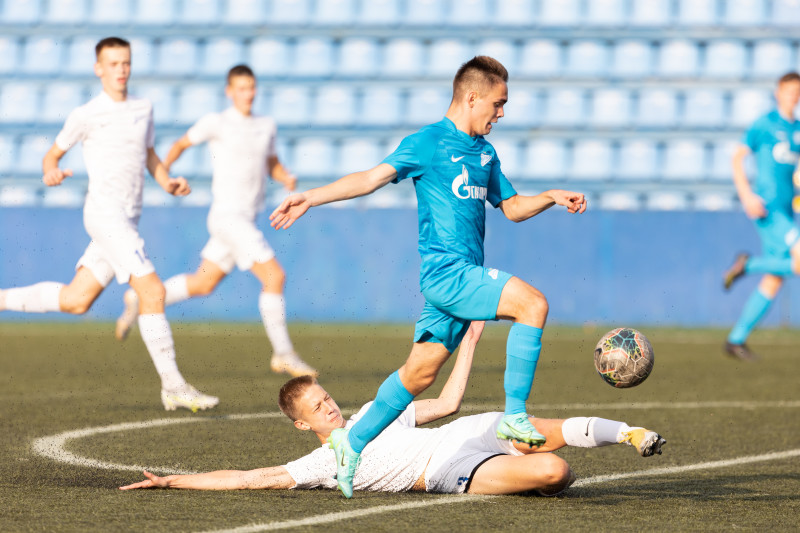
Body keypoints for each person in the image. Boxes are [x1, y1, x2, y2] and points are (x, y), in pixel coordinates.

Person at [269, 56, 587, 497]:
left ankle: (350, 443)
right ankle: (516, 414)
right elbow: (370, 179)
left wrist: (550, 196)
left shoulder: (486, 153)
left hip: (462, 278)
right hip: (447, 274)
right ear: (471, 97)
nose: (502, 113)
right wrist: (310, 198)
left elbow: (512, 208)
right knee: (532, 304)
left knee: (418, 375)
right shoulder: (428, 142)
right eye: (498, 103)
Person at [119, 321, 666, 496]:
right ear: (301, 423)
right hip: (450, 469)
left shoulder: (373, 416)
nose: (330, 407)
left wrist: (469, 343)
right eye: (318, 407)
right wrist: (171, 482)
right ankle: (561, 459)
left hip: (470, 433)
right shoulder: (325, 464)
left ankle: (629, 432)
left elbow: (448, 403)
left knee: (526, 424)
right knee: (555, 469)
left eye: (327, 397)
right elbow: (245, 478)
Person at [0, 37, 218, 412]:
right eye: (113, 63)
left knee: (76, 299)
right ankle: (173, 386)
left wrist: (167, 181)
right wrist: (51, 172)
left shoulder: (143, 108)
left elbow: (149, 155)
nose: (121, 70)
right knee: (152, 291)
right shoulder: (86, 114)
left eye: (126, 63)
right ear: (98, 68)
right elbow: (51, 156)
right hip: (105, 216)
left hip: (126, 218)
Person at [114, 64, 316, 378]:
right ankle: (284, 353)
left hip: (244, 218)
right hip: (228, 217)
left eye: (251, 87)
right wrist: (164, 173)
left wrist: (285, 177)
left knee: (203, 283)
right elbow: (181, 143)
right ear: (229, 91)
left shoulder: (266, 125)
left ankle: (136, 298)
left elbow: (271, 162)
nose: (247, 93)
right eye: (241, 88)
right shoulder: (217, 122)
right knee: (274, 277)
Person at [723, 71, 800, 361]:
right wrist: (746, 194)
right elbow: (738, 156)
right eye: (788, 90)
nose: (793, 95)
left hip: (787, 210)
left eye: (797, 91)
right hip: (767, 207)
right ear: (778, 92)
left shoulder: (798, 130)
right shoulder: (765, 124)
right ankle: (748, 264)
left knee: (775, 278)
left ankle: (735, 340)